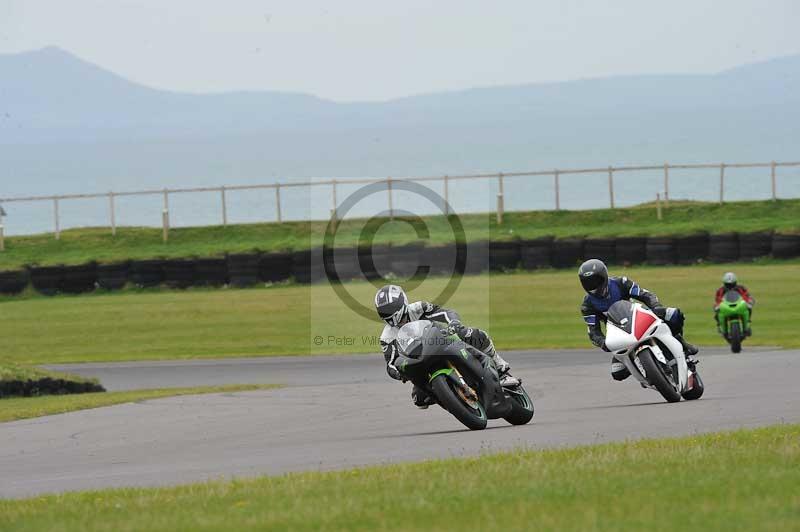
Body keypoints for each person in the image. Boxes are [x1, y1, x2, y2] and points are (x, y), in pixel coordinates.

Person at [374, 284, 517, 409]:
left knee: (472, 334)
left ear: (402, 303)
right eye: (385, 313)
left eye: (391, 310)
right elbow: (391, 363)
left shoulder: (418, 308)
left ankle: (501, 369)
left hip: (442, 340)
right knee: (419, 399)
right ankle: (450, 397)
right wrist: (400, 373)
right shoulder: (386, 336)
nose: (390, 316)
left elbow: (445, 313)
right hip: (420, 360)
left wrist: (454, 323)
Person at [578, 259, 698, 382]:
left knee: (673, 314)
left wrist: (656, 307)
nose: (593, 286)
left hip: (639, 317)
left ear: (604, 276)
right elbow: (593, 331)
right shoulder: (588, 305)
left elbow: (645, 295)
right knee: (617, 372)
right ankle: (644, 370)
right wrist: (603, 343)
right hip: (619, 334)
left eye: (596, 281)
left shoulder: (621, 283)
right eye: (588, 283)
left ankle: (682, 343)